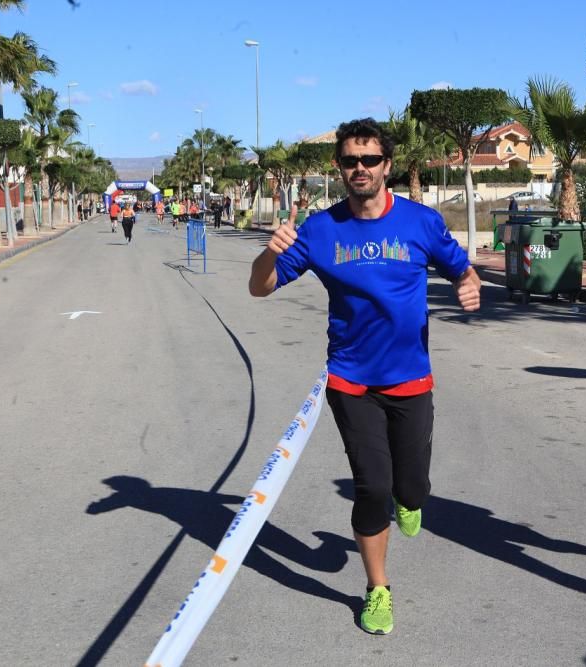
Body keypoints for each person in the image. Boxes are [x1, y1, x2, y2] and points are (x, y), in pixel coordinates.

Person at [249, 118, 481, 636]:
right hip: (351, 380)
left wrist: (469, 284)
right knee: (371, 486)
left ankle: (410, 499)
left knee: (412, 487)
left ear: (387, 166)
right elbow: (259, 289)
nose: (360, 169)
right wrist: (271, 251)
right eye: (351, 161)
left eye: (369, 160)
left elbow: (461, 267)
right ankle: (378, 588)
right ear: (340, 167)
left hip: (411, 380)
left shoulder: (420, 222)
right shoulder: (320, 230)